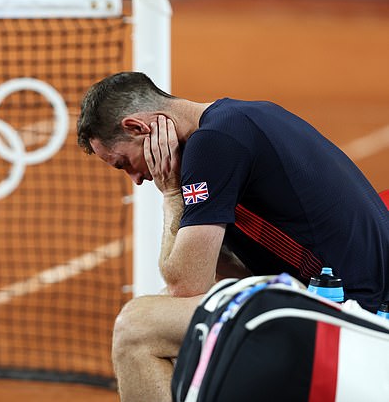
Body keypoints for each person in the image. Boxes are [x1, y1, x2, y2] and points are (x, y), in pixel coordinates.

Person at [76, 71, 389, 402]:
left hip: (352, 312)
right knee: (174, 316)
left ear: (139, 129)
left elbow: (185, 284)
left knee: (137, 329)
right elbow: (220, 273)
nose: (136, 179)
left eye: (124, 163)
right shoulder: (235, 120)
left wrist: (171, 194)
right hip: (354, 295)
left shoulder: (212, 145)